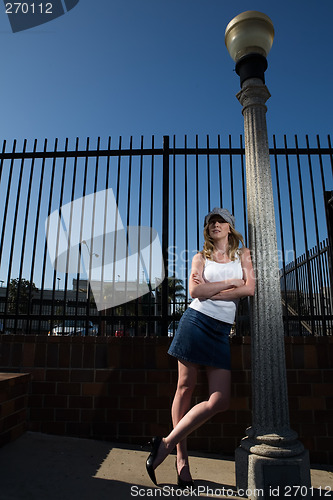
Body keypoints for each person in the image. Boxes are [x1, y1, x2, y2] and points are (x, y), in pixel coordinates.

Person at [146, 207, 255, 489]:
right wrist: (233, 281)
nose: (215, 225)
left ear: (230, 227)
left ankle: (165, 443)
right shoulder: (200, 257)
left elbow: (250, 288)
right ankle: (182, 460)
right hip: (195, 322)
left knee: (220, 400)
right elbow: (196, 293)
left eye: (221, 221)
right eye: (210, 223)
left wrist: (215, 286)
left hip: (220, 332)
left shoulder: (243, 255)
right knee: (185, 387)